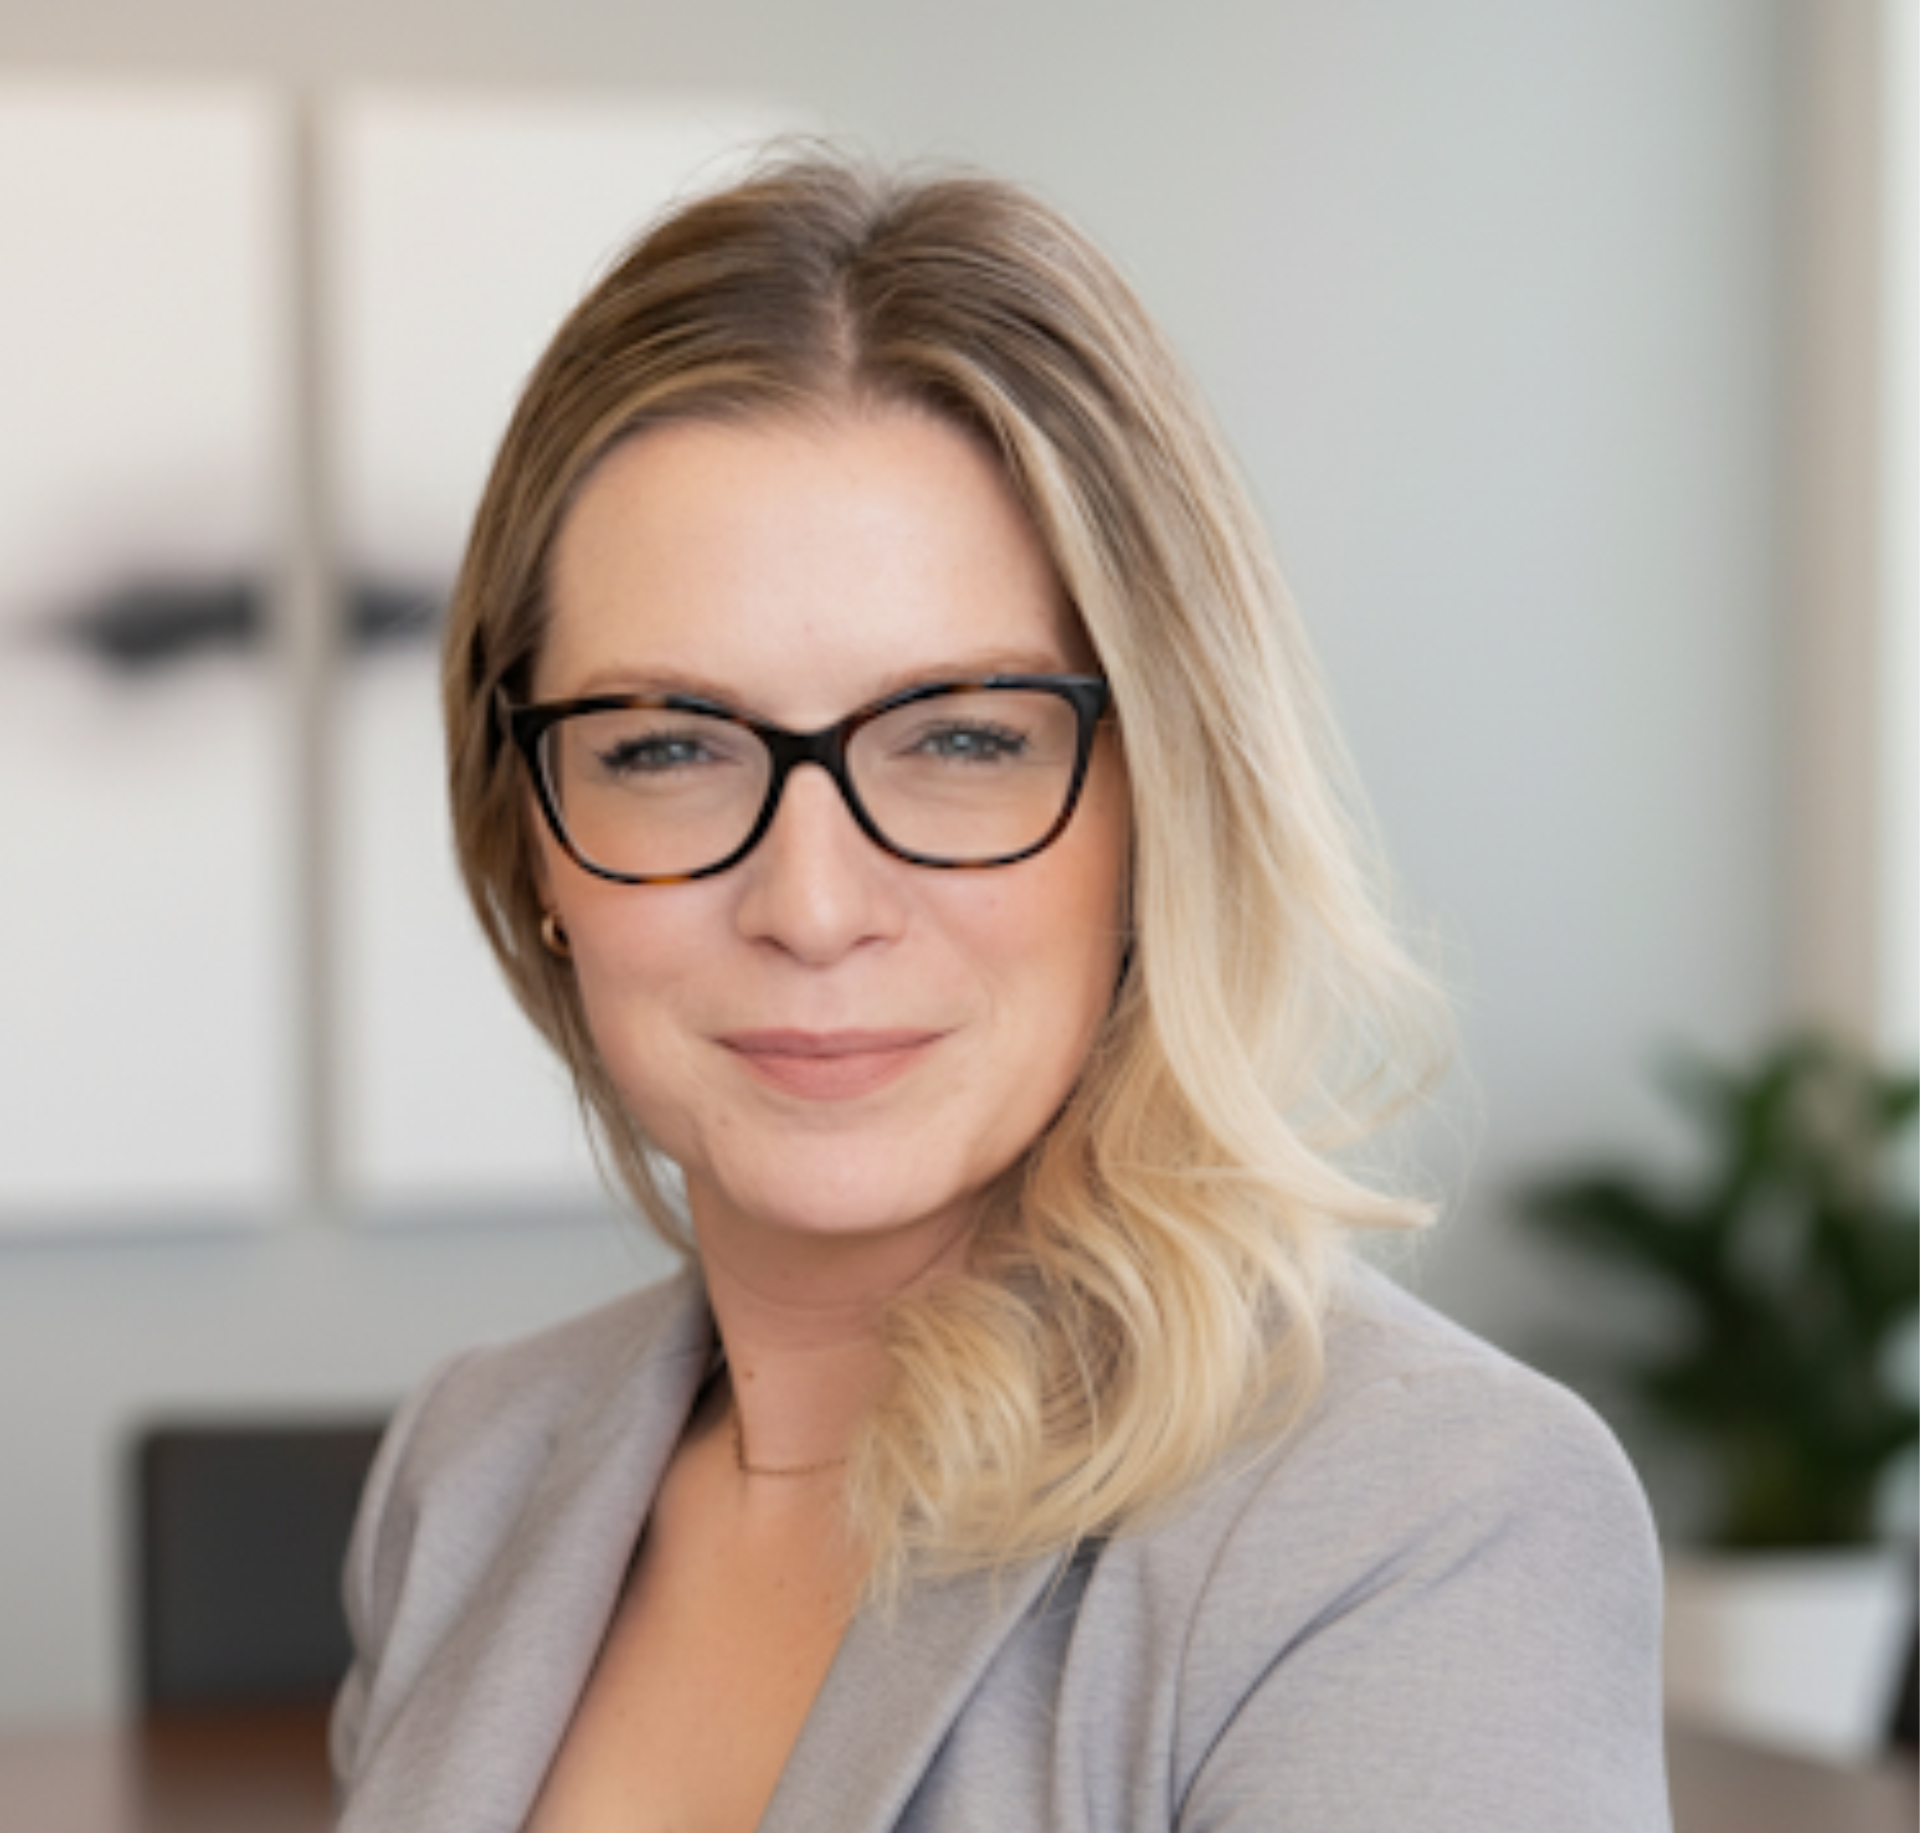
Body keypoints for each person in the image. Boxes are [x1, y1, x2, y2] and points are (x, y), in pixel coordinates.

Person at [330, 153, 1669, 1832]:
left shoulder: (1422, 1520)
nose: (813, 906)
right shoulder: (467, 1471)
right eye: (665, 748)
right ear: (531, 829)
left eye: (963, 739)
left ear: (1160, 803)